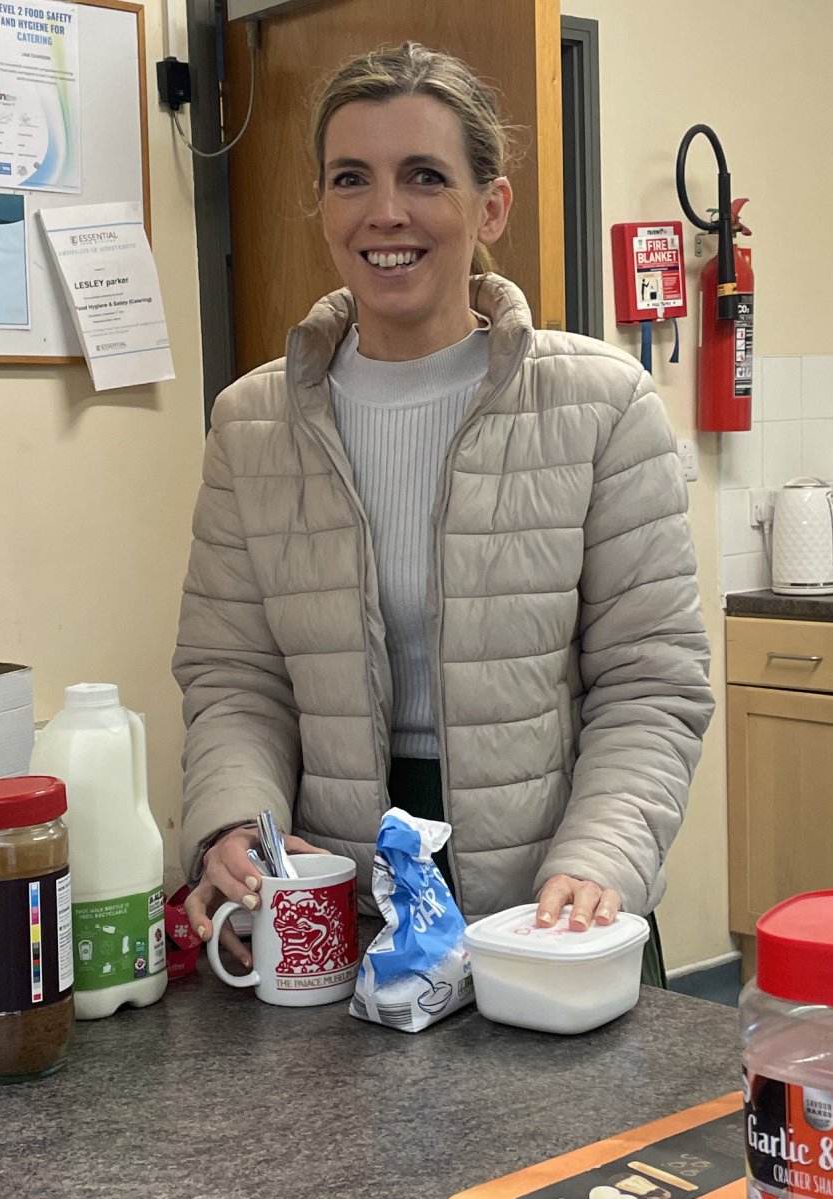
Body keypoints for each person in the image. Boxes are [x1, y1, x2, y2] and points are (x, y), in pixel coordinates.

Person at [174, 42, 713, 983]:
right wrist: (233, 823)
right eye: (352, 179)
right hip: (338, 921)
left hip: (549, 911)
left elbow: (650, 685)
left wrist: (598, 861)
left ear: (489, 205)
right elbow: (234, 678)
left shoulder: (602, 405)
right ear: (324, 206)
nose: (387, 212)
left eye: (425, 175)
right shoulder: (250, 425)